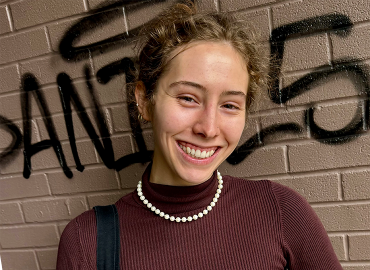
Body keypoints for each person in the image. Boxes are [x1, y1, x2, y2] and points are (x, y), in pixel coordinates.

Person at [56, 2, 342, 269]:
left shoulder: (281, 212)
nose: (208, 128)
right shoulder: (86, 242)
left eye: (229, 105)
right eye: (188, 98)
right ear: (144, 101)